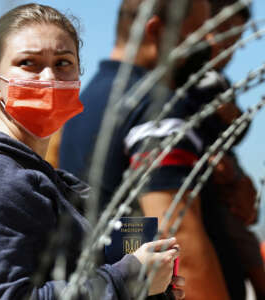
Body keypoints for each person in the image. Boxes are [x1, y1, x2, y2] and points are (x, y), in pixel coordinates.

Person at [0, 4, 184, 300]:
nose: (49, 78)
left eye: (63, 63)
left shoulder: (38, 176)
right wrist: (125, 280)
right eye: (28, 63)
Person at [59, 0, 238, 299]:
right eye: (197, 31)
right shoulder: (156, 108)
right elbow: (179, 238)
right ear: (156, 31)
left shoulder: (90, 100)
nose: (208, 43)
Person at [192, 1, 265, 298]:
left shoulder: (219, 82)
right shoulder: (195, 81)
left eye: (233, 36)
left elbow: (236, 132)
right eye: (220, 30)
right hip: (209, 201)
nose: (226, 44)